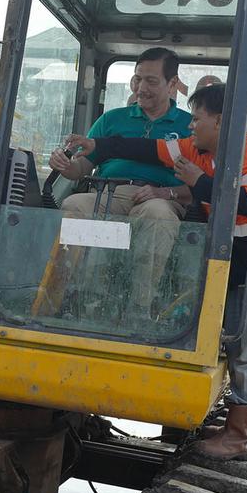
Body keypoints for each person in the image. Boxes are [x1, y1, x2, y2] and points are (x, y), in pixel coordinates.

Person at [55, 83, 247, 461]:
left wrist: (196, 182)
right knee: (238, 345)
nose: (190, 127)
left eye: (198, 119)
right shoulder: (198, 150)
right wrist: (98, 147)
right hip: (237, 266)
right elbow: (146, 149)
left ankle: (239, 435)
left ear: (221, 121)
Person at [50, 48, 194, 316]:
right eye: (137, 79)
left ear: (172, 84)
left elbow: (201, 182)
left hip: (161, 198)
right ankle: (76, 296)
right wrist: (67, 166)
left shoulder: (188, 126)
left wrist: (166, 193)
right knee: (74, 204)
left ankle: (138, 307)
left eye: (151, 81)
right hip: (108, 193)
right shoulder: (111, 120)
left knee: (157, 215)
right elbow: (82, 167)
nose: (141, 88)